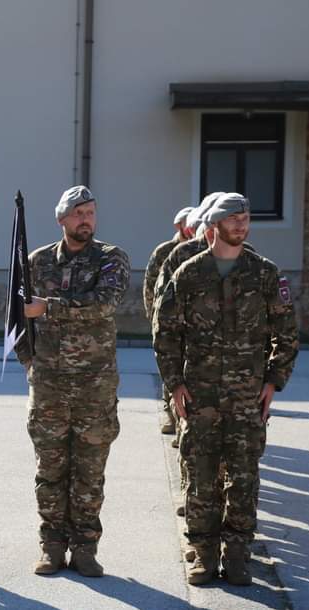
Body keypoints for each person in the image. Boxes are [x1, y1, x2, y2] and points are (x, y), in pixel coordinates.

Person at [153, 193, 298, 586]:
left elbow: (287, 334)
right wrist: (174, 384)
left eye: (246, 218)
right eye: (233, 218)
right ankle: (203, 555)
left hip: (248, 399)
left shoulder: (265, 273)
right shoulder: (189, 273)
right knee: (201, 479)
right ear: (215, 224)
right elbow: (166, 334)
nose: (241, 224)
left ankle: (237, 556)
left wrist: (273, 381)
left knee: (244, 480)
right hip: (199, 397)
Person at [16, 186, 129, 578]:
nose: (86, 219)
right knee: (50, 471)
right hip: (48, 386)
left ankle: (85, 549)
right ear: (61, 218)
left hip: (95, 387)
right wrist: (29, 362)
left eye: (91, 212)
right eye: (78, 213)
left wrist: (49, 307)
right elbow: (18, 319)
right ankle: (51, 546)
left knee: (89, 474)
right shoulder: (37, 262)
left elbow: (105, 303)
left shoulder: (110, 258)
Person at [143, 205, 194, 435]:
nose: (191, 228)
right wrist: (154, 318)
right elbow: (150, 285)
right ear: (179, 226)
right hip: (168, 319)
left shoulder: (198, 249)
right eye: (187, 224)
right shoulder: (165, 251)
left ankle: (186, 421)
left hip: (193, 324)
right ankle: (170, 414)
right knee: (170, 367)